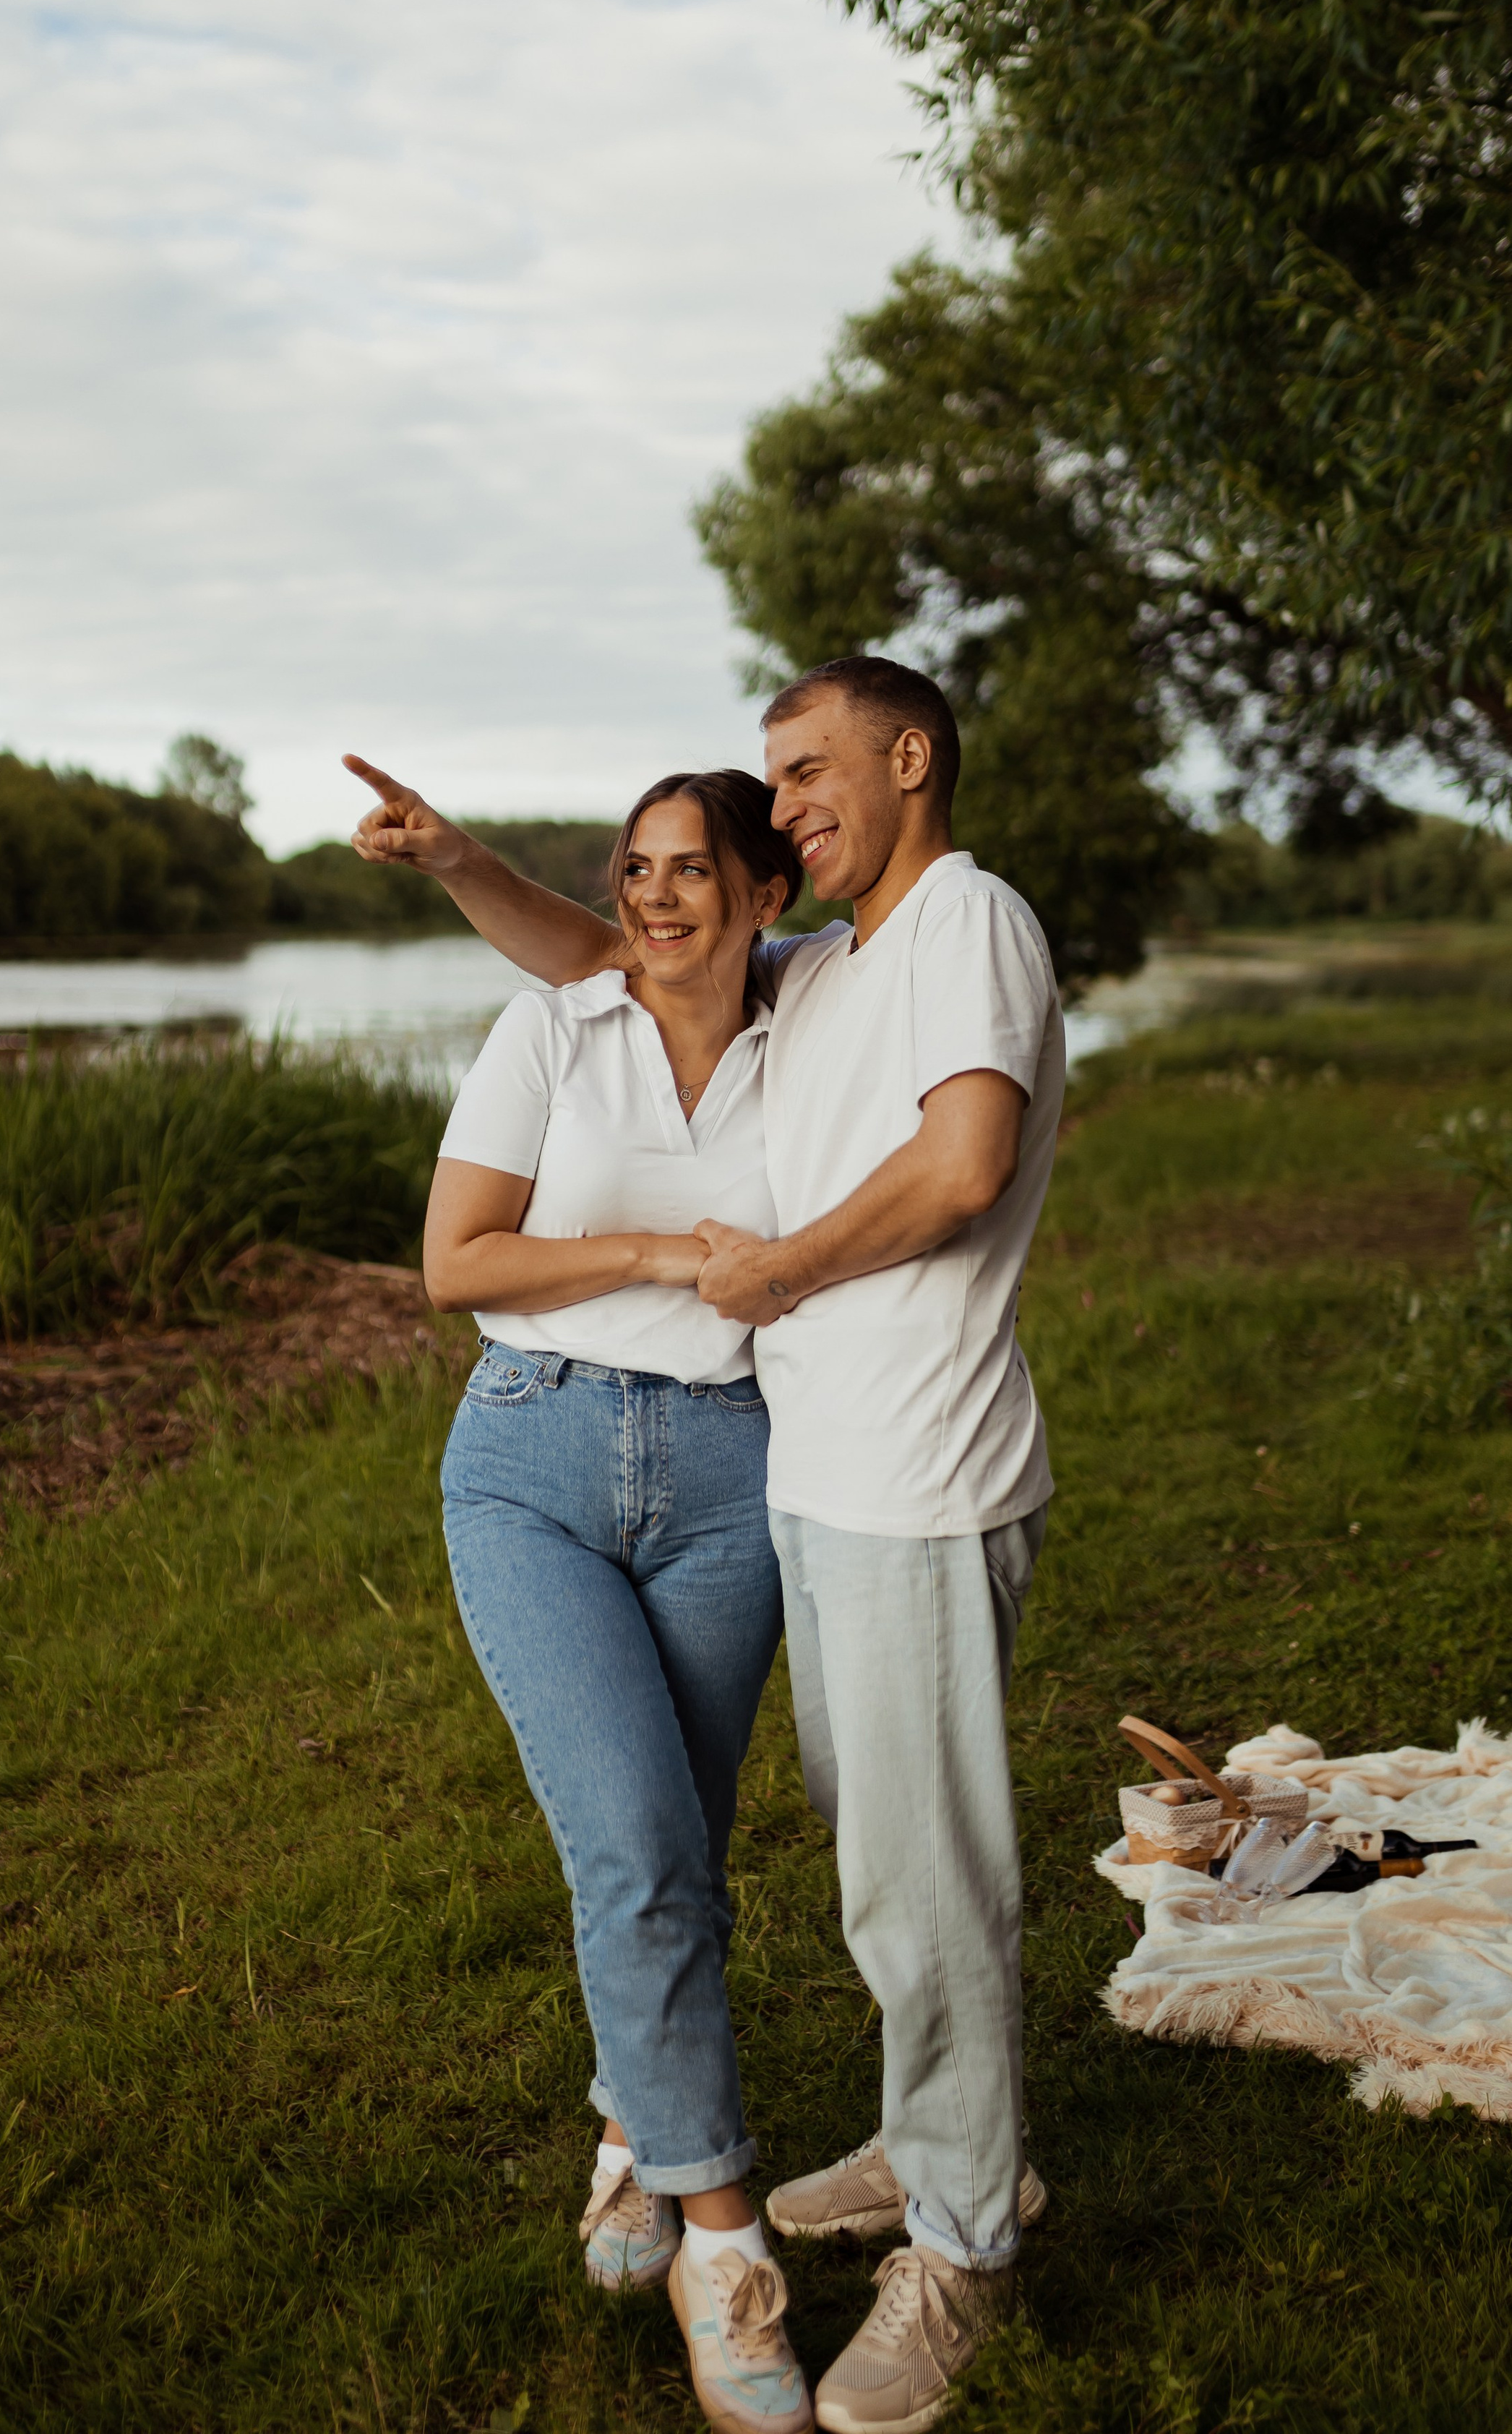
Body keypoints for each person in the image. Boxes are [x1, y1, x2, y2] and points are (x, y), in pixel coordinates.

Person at [347, 654, 1062, 2434]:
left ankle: (899, 2212)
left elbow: (964, 1158)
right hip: (676, 1465)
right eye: (633, 866)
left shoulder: (895, 947)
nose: (787, 807)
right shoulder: (690, 997)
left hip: (833, 1473)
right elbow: (573, 1019)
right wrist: (455, 865)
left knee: (810, 1863)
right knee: (750, 1854)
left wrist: (772, 1269)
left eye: (800, 784)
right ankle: (812, 2188)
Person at [423, 766, 816, 2434]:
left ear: (762, 895)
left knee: (679, 1851)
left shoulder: (821, 1027)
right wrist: (662, 1254)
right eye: (634, 872)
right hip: (532, 1464)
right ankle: (721, 2251)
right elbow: (459, 1262)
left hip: (736, 1476)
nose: (657, 900)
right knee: (639, 1853)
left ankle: (625, 2128)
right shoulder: (554, 1027)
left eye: (692, 870)